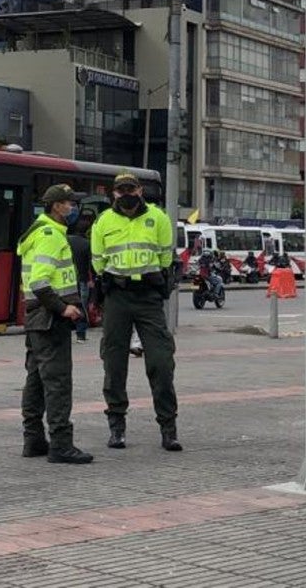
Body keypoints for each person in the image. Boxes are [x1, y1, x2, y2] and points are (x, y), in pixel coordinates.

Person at [92, 171, 180, 451]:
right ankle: (116, 426)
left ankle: (168, 427)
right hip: (117, 296)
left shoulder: (158, 218)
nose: (126, 193)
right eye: (121, 190)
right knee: (114, 364)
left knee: (161, 362)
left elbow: (166, 257)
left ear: (140, 190)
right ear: (113, 193)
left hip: (148, 298)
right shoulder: (103, 221)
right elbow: (98, 261)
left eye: (131, 188)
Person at [17, 184, 93, 464]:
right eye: (69, 203)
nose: (73, 208)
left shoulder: (38, 231)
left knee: (36, 380)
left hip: (37, 319)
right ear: (56, 206)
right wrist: (65, 308)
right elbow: (39, 281)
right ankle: (61, 444)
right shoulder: (50, 235)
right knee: (58, 381)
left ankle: (33, 440)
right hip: (50, 319)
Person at [67, 206, 96, 342]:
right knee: (81, 305)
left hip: (66, 279)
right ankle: (81, 333)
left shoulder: (65, 240)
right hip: (82, 279)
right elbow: (91, 264)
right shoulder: (86, 244)